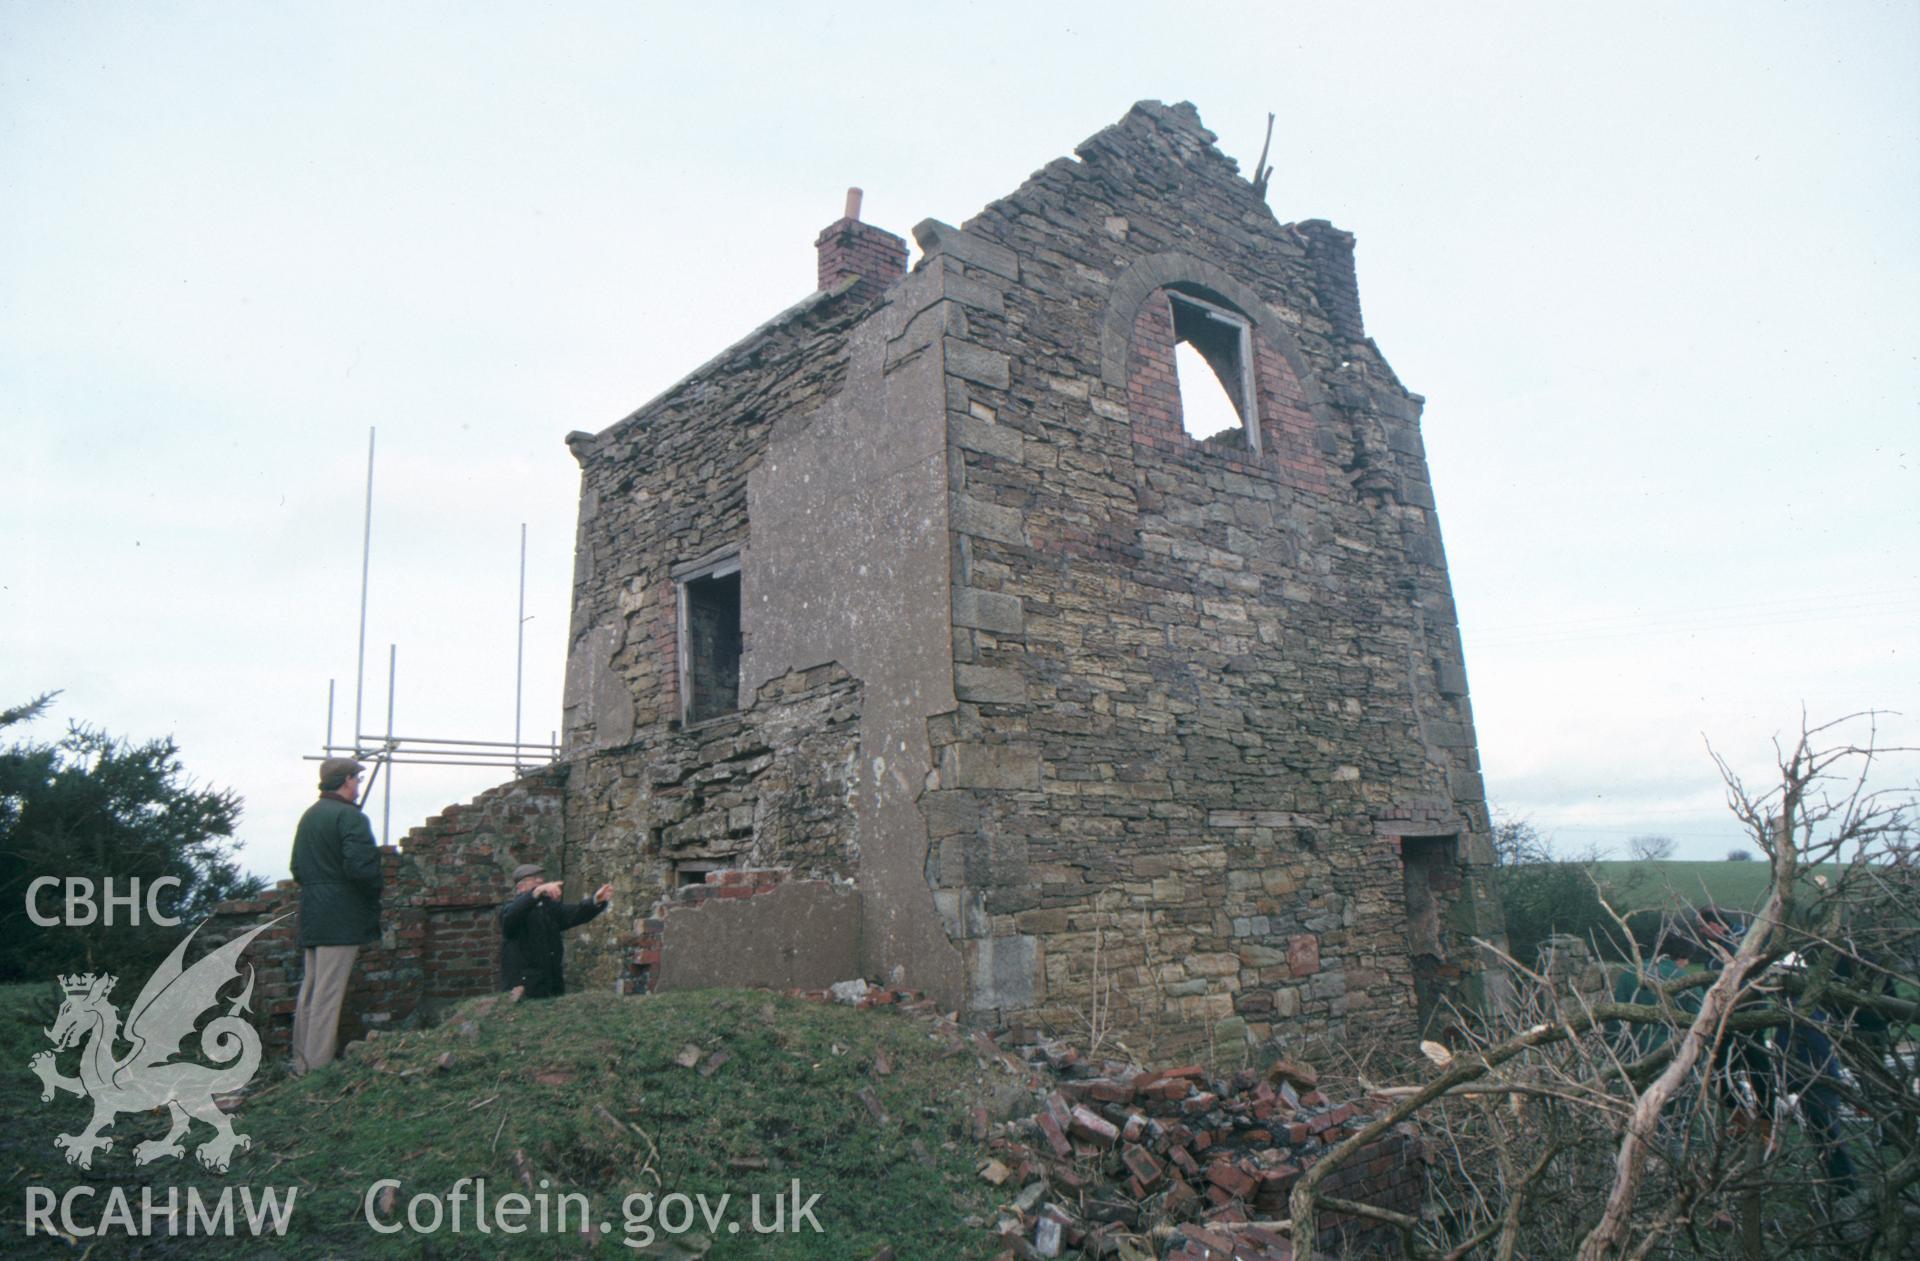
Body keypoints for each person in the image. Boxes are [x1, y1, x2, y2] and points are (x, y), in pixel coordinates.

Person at [289, 757, 383, 1074]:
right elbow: (362, 869)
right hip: (341, 915)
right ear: (346, 780)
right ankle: (317, 1067)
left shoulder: (310, 816)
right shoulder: (350, 817)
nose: (358, 784)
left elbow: (297, 869)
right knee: (328, 994)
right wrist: (371, 894)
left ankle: (301, 1062)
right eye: (357, 778)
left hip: (313, 912)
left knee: (311, 990)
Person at [498, 863, 612, 998]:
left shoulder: (547, 908)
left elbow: (574, 913)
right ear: (520, 887)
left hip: (551, 987)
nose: (540, 881)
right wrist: (535, 894)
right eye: (534, 879)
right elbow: (512, 917)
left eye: (540, 878)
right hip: (524, 991)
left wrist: (595, 901)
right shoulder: (509, 910)